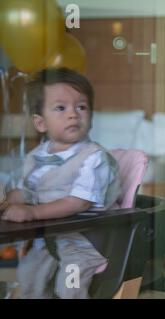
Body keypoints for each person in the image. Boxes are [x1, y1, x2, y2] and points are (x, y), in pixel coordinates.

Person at [0, 67, 121, 299]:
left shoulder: (94, 158)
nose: (73, 114)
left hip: (86, 241)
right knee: (28, 277)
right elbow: (29, 191)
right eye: (61, 108)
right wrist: (9, 200)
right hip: (49, 237)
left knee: (70, 285)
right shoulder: (37, 156)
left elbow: (78, 203)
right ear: (40, 123)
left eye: (81, 107)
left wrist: (32, 213)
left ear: (91, 117)